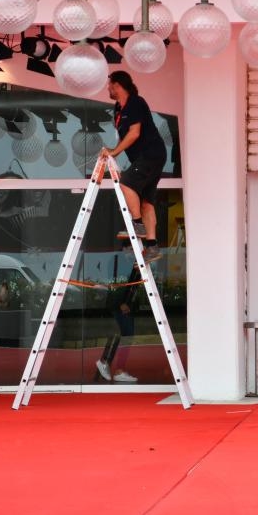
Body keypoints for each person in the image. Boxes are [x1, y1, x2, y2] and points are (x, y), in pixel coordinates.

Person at [101, 70, 166, 263]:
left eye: (110, 85)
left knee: (126, 183)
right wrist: (115, 149)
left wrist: (114, 152)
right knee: (146, 201)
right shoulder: (118, 109)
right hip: (146, 157)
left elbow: (134, 133)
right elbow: (125, 134)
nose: (108, 88)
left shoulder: (136, 102)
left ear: (118, 85)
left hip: (151, 154)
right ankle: (152, 246)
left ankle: (137, 225)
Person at [96, 260, 141, 384]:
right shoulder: (122, 263)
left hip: (125, 305)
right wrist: (123, 302)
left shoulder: (126, 263)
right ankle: (116, 369)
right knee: (125, 336)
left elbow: (130, 285)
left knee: (123, 336)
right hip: (122, 306)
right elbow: (118, 284)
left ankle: (107, 363)